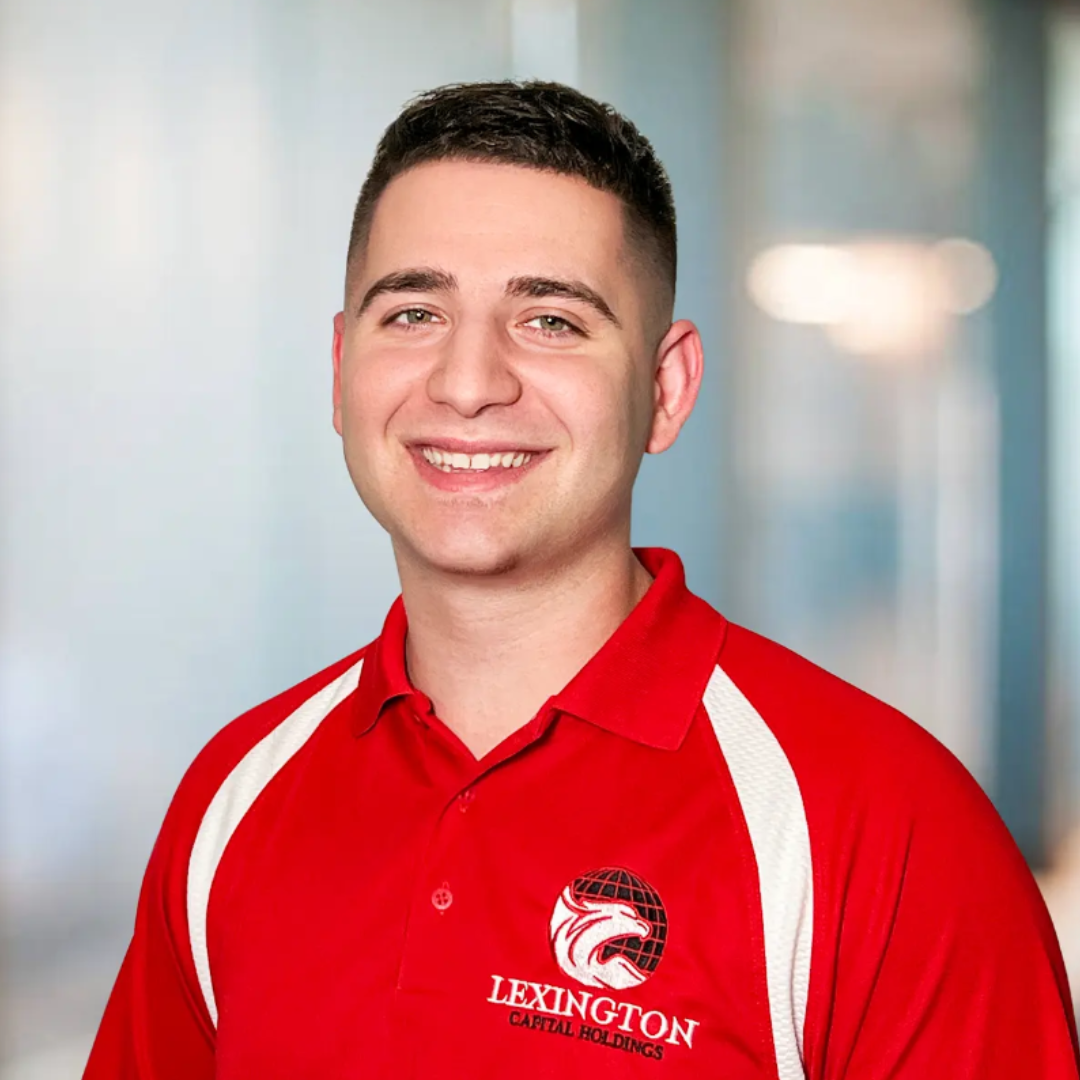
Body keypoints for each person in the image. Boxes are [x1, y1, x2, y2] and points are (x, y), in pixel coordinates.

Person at [84, 80, 1079, 1080]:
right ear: (342, 367)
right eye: (415, 312)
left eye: (552, 320)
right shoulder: (237, 797)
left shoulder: (882, 830)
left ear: (665, 388)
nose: (468, 383)